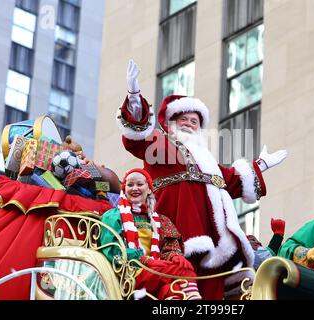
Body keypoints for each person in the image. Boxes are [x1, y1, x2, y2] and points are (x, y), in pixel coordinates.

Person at [116, 60, 287, 299]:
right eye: (182, 119)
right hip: (175, 220)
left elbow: (233, 180)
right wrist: (134, 97)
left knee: (212, 284)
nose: (188, 124)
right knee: (179, 276)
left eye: (194, 121)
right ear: (171, 124)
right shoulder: (160, 144)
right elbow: (135, 137)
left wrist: (262, 164)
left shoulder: (207, 161)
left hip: (213, 231)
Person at [100, 168, 201, 300]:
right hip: (128, 275)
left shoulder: (160, 220)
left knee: (173, 290)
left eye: (139, 184)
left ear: (148, 189)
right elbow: (113, 251)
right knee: (185, 271)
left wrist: (175, 256)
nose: (134, 188)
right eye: (130, 185)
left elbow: (169, 247)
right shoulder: (112, 216)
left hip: (155, 275)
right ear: (124, 190)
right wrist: (144, 260)